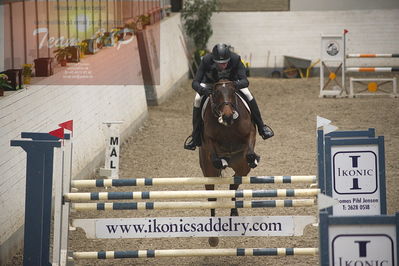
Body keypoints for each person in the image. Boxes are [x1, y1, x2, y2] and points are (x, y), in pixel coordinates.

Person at [184, 43, 274, 150]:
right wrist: (203, 90)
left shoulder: (235, 59)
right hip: (211, 84)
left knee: (248, 94)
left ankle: (262, 127)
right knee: (197, 99)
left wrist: (234, 85)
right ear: (214, 60)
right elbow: (195, 83)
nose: (223, 66)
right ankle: (195, 135)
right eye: (219, 64)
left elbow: (245, 81)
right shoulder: (207, 60)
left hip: (232, 84)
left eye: (225, 63)